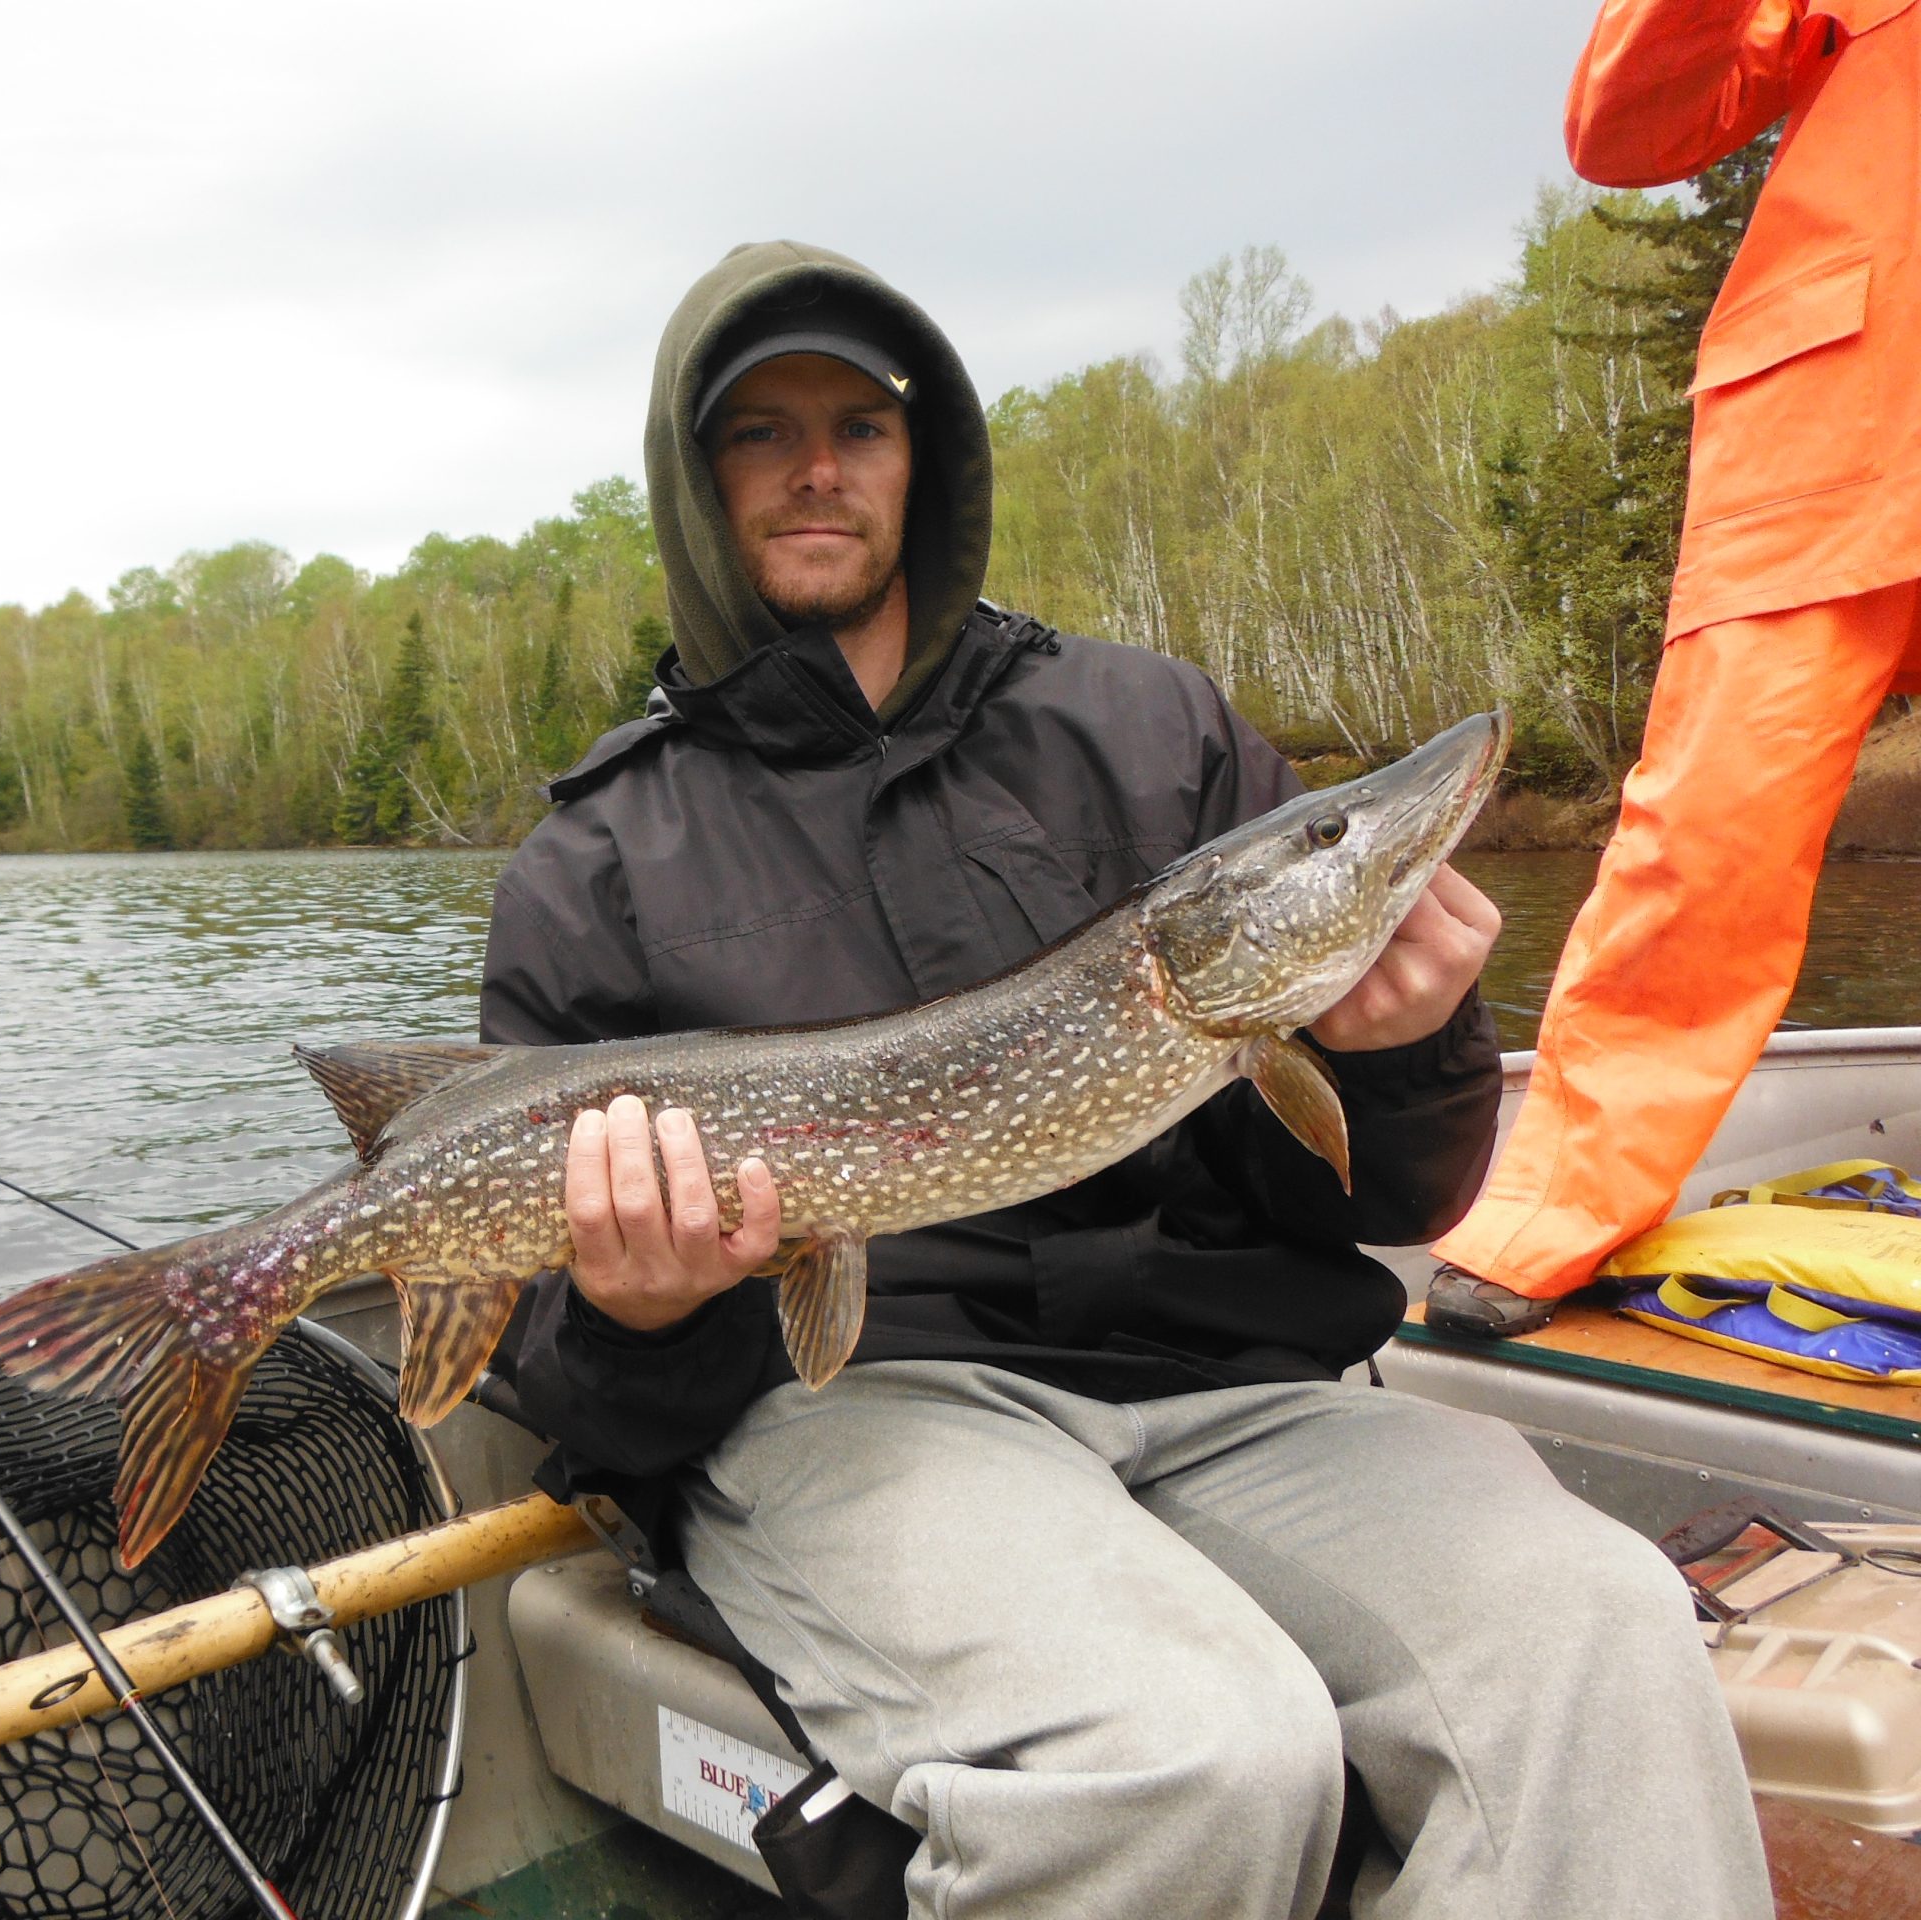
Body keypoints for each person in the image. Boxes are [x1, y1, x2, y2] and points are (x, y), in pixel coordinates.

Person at [480, 240, 1768, 1917]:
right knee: (1198, 1752)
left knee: (1597, 1628)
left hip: (1237, 1383)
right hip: (869, 1404)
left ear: (918, 461)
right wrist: (641, 1313)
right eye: (759, 432)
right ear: (693, 477)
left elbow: (1399, 1199)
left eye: (859, 427)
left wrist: (1399, 1054)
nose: (816, 469)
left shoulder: (1154, 730)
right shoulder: (596, 864)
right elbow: (563, 1387)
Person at [1429, 0, 1921, 1337]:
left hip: (1825, 418)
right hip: (1833, 421)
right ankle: (1555, 1206)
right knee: (1706, 840)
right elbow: (1628, 124)